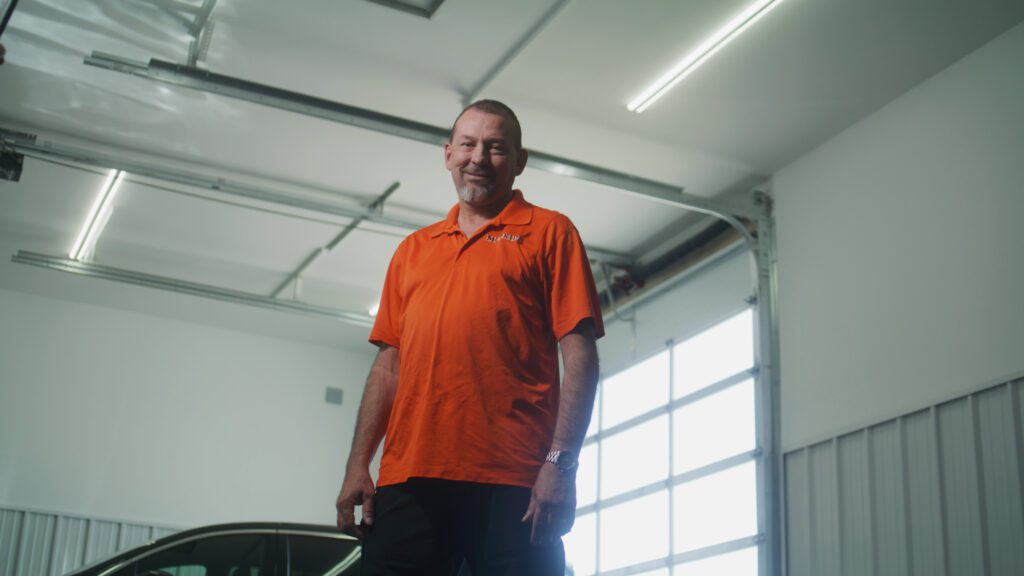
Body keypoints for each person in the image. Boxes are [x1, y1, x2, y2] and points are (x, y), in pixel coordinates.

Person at [335, 99, 604, 576]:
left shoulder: (550, 233)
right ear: (448, 154)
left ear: (519, 162)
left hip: (514, 482)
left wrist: (561, 465)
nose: (479, 157)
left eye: (496, 147)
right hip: (408, 478)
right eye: (468, 144)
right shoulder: (412, 252)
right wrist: (360, 464)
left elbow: (579, 354)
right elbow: (388, 366)